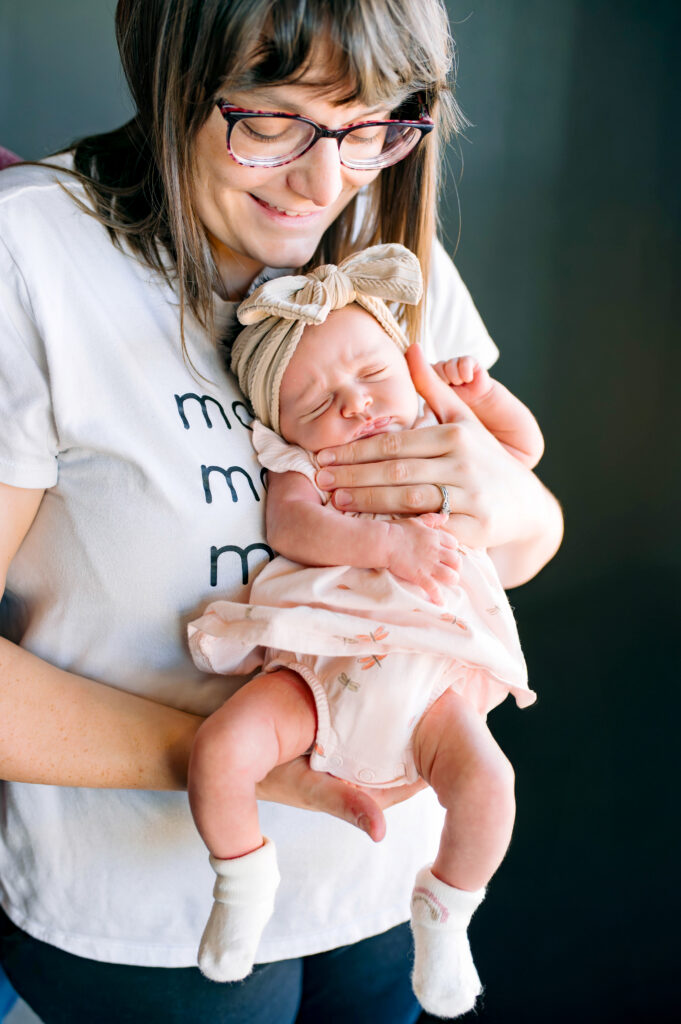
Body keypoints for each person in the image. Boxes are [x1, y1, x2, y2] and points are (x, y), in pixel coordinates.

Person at [0, 2, 563, 1022]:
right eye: (274, 120)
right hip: (148, 916)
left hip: (382, 884)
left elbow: (524, 539)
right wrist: (235, 759)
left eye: (369, 125)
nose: (325, 183)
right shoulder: (30, 254)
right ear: (170, 64)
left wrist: (511, 500)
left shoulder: (377, 252)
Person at [186, 243, 542, 1018]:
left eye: (372, 376)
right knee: (219, 752)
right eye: (315, 404)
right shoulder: (302, 463)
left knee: (490, 785)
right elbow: (289, 522)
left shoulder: (435, 426)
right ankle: (242, 880)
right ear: (283, 425)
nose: (351, 405)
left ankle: (447, 914)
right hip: (319, 661)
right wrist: (385, 544)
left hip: (428, 675)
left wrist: (481, 398)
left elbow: (522, 455)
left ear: (405, 368)